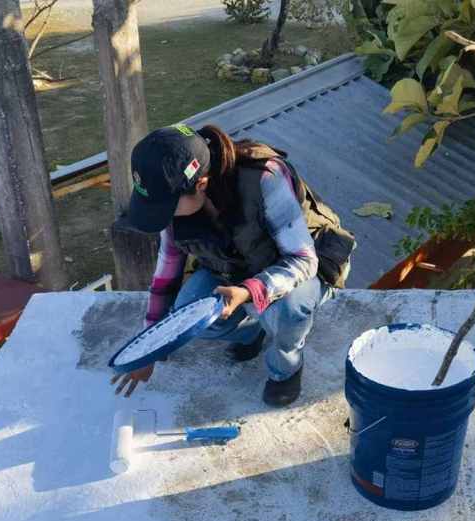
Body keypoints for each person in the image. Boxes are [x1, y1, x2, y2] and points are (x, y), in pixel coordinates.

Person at [111, 123, 355, 406]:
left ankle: (286, 367)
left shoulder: (264, 177)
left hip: (305, 265)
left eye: (164, 208)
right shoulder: (173, 199)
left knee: (288, 310)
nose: (160, 217)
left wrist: (249, 292)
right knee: (189, 316)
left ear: (201, 185)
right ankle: (252, 331)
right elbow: (165, 279)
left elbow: (303, 259)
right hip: (237, 265)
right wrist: (150, 349)